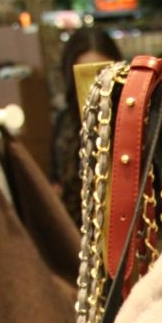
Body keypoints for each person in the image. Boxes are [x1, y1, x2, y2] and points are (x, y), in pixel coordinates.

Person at [50, 26, 121, 222]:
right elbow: (56, 180)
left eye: (103, 75)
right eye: (86, 78)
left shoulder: (132, 120)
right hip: (76, 228)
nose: (97, 87)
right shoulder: (65, 123)